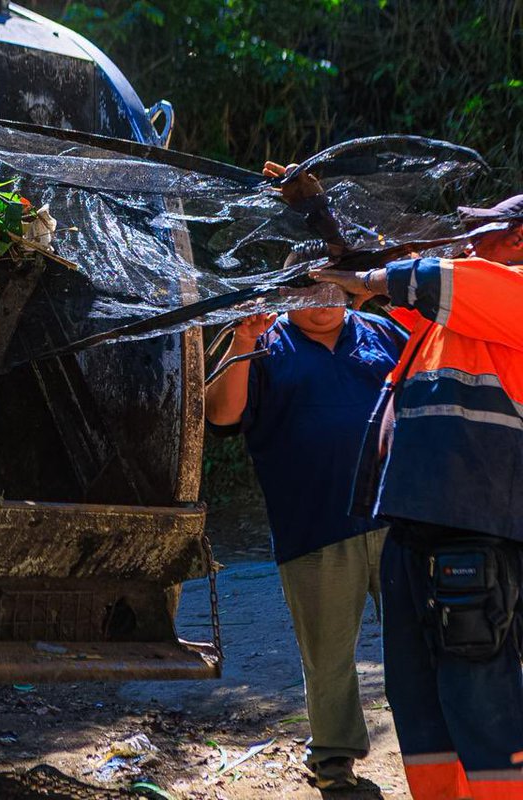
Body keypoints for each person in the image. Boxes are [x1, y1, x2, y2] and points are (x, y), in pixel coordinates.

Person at [312, 195, 523, 800]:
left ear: (517, 239)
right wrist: (331, 232)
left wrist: (374, 276)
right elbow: (411, 292)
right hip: (415, 534)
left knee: (485, 707)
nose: (465, 244)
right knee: (420, 705)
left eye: (479, 234)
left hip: (480, 537)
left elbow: (439, 281)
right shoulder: (451, 321)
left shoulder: (501, 294)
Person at [204, 163, 406, 791]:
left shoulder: (382, 331)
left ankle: (435, 742)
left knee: (419, 641)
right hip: (314, 526)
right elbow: (221, 414)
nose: (322, 300)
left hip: (398, 518)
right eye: (307, 289)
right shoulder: (262, 342)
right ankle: (335, 759)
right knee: (328, 655)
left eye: (331, 288)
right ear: (287, 293)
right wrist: (241, 341)